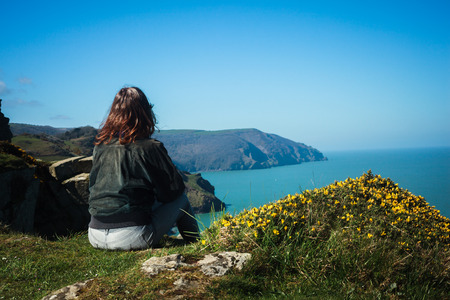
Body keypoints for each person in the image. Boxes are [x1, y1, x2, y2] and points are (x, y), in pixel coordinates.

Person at [88, 86, 200, 250]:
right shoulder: (150, 147)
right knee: (182, 200)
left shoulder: (101, 146)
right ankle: (197, 245)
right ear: (146, 113)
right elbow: (173, 192)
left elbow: (92, 186)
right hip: (131, 237)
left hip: (95, 234)